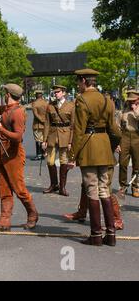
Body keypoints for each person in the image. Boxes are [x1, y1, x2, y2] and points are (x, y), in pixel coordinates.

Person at [68, 69, 121, 246]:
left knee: (92, 189)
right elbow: (115, 131)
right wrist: (109, 148)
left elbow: (79, 131)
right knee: (104, 189)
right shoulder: (107, 100)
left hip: (89, 148)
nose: (78, 85)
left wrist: (72, 155)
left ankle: (96, 235)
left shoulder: (82, 99)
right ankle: (111, 234)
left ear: (84, 80)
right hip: (105, 147)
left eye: (78, 82)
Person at [0, 83, 38, 232]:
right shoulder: (6, 109)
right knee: (3, 188)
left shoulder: (17, 113)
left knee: (19, 189)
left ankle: (32, 214)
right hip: (2, 152)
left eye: (5, 93)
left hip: (14, 154)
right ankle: (4, 221)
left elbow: (18, 137)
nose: (4, 95)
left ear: (8, 95)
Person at [42, 85, 75, 197]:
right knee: (50, 162)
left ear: (64, 93)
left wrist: (71, 141)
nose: (56, 94)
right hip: (52, 135)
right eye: (54, 92)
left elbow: (73, 125)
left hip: (65, 136)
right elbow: (46, 123)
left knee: (63, 161)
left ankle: (62, 187)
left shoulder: (71, 106)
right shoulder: (50, 106)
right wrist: (44, 139)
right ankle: (54, 184)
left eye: (58, 92)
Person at [116, 90, 139, 199]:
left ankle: (135, 186)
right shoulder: (122, 112)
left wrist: (135, 112)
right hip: (124, 138)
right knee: (123, 163)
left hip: (137, 138)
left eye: (133, 101)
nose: (131, 103)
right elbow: (117, 128)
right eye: (130, 101)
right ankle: (123, 186)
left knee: (137, 165)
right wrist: (117, 144)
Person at [30, 90, 48, 161]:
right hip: (45, 125)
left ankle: (39, 154)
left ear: (36, 95)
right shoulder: (46, 103)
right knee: (44, 139)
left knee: (38, 140)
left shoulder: (34, 103)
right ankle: (44, 154)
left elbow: (36, 114)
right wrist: (45, 121)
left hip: (37, 125)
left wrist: (42, 121)